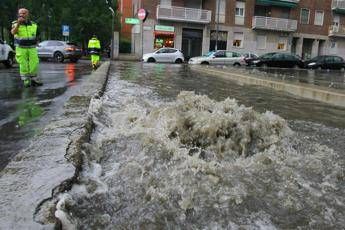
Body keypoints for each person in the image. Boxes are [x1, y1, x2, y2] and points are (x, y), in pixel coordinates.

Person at [11, 8, 42, 87]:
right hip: (21, 47)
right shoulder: (15, 23)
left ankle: (34, 79)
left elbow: (37, 34)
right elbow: (13, 32)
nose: (22, 15)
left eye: (24, 13)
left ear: (27, 14)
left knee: (34, 63)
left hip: (32, 47)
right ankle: (26, 80)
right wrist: (18, 24)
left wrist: (37, 41)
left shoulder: (34, 24)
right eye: (20, 13)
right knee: (23, 64)